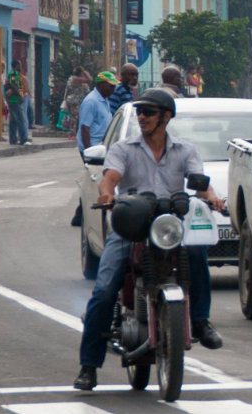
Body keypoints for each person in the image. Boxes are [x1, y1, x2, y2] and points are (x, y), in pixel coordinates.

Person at [73, 88, 225, 391]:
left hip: (168, 225)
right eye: (139, 112)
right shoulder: (124, 148)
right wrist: (107, 193)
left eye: (149, 112)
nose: (141, 117)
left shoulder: (185, 150)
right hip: (130, 224)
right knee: (104, 290)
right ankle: (88, 365)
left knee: (197, 255)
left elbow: (199, 183)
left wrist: (212, 198)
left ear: (166, 117)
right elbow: (112, 177)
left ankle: (200, 321)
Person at [78, 71, 120, 156]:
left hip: (101, 149)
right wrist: (89, 153)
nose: (113, 89)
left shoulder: (105, 100)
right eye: (111, 86)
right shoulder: (91, 101)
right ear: (101, 84)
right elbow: (85, 128)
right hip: (93, 150)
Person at [5, 59, 31, 145]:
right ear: (15, 65)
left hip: (15, 99)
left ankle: (13, 139)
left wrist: (22, 94)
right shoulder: (12, 74)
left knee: (13, 120)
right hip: (14, 100)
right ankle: (23, 139)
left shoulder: (16, 74)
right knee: (21, 119)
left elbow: (19, 85)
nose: (20, 66)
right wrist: (20, 95)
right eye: (19, 64)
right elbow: (13, 85)